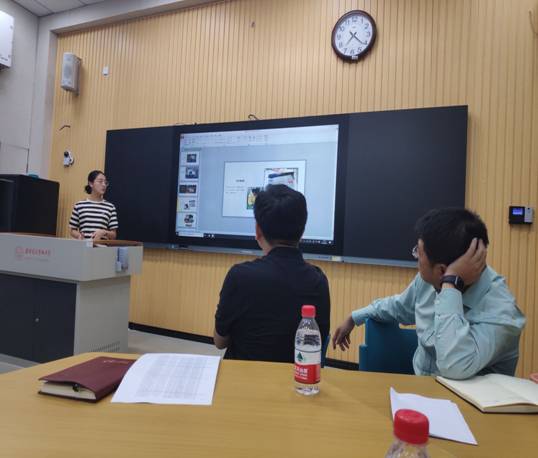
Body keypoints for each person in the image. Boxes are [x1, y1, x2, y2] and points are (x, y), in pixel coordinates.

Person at [333, 208, 526, 379]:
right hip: (420, 391)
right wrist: (354, 317)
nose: (416, 257)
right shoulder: (428, 282)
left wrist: (451, 284)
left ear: (442, 270)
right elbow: (400, 307)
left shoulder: (502, 313)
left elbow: (454, 366)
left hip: (468, 405)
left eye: (418, 253)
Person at [214, 184, 330, 362]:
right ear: (302, 232)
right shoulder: (318, 281)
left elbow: (220, 341)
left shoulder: (239, 277)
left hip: (243, 377)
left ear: (258, 230)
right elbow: (317, 342)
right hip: (296, 377)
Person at [69, 170, 118, 241]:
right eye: (100, 181)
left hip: (102, 247)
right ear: (91, 183)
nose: (104, 185)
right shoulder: (79, 205)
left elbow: (114, 235)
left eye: (105, 182)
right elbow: (72, 230)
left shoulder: (110, 207)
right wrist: (79, 235)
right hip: (83, 246)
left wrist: (104, 232)